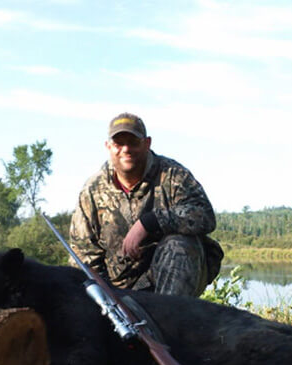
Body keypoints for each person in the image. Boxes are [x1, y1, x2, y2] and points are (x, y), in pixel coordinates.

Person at [69, 112, 223, 297]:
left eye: (133, 142)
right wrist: (107, 298)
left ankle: (172, 319)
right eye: (119, 143)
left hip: (169, 281)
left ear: (147, 143)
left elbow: (204, 216)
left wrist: (150, 222)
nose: (126, 149)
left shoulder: (173, 175)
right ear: (108, 147)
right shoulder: (92, 191)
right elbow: (84, 254)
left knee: (180, 244)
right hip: (120, 291)